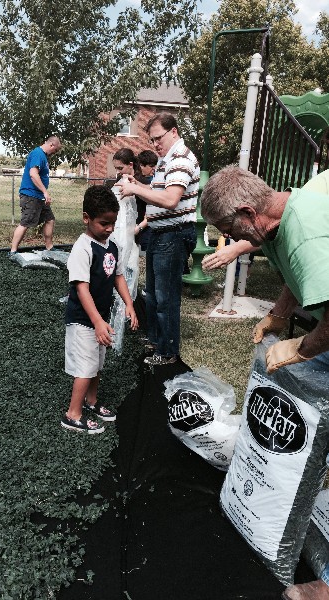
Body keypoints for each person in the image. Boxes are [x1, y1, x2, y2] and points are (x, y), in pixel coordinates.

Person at [200, 166, 329, 600]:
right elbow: (294, 272)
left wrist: (301, 348)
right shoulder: (277, 222)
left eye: (227, 229)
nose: (229, 239)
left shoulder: (306, 235)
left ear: (248, 211)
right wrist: (278, 312)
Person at [117, 112, 200, 366]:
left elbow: (170, 199)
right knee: (153, 294)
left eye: (158, 138)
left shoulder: (181, 159)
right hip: (160, 234)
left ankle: (167, 352)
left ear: (174, 131)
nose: (155, 145)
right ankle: (155, 340)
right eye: (152, 140)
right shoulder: (166, 159)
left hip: (173, 236)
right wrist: (138, 185)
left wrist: (135, 189)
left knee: (165, 298)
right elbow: (157, 192)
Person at [61, 185, 138, 434]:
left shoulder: (111, 246)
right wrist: (96, 321)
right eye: (104, 223)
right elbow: (81, 288)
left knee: (96, 364)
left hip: (100, 320)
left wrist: (129, 304)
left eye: (113, 223)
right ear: (86, 218)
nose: (109, 228)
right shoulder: (82, 248)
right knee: (84, 368)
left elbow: (118, 277)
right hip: (83, 320)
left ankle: (91, 402)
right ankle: (72, 414)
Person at [9, 135, 61, 257]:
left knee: (49, 219)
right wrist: (45, 191)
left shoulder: (43, 156)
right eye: (55, 150)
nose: (55, 152)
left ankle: (49, 247)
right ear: (51, 145)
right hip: (31, 195)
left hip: (39, 196)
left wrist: (43, 194)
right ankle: (12, 251)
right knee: (26, 223)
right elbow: (33, 174)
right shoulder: (38, 154)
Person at [112, 148, 151, 251]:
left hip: (141, 231)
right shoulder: (119, 180)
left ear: (130, 164)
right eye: (116, 168)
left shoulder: (142, 181)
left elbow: (152, 207)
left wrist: (138, 228)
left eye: (120, 168)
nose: (118, 171)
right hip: (123, 229)